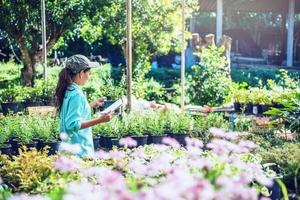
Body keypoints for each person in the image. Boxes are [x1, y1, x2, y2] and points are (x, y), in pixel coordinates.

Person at [54, 54, 113, 158]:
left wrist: (90, 105)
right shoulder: (76, 94)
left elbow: (73, 112)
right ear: (81, 73)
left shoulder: (69, 89)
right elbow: (73, 125)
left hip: (70, 148)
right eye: (88, 72)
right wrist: (100, 120)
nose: (89, 76)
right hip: (79, 151)